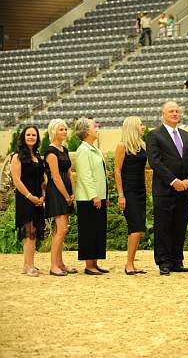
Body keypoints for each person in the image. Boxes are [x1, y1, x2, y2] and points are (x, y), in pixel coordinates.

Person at [146, 101, 188, 275]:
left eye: (177, 111)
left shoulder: (187, 136)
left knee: (180, 225)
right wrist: (174, 181)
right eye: (171, 111)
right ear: (163, 114)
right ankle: (164, 262)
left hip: (185, 190)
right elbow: (155, 162)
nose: (175, 114)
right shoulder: (155, 135)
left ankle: (177, 260)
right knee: (163, 226)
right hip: (164, 190)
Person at [74, 118, 109, 275]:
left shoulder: (94, 149)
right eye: (94, 126)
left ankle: (95, 263)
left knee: (97, 230)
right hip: (88, 199)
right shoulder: (83, 150)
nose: (97, 127)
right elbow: (85, 176)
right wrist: (94, 196)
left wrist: (104, 196)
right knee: (89, 230)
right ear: (87, 131)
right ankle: (89, 265)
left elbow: (101, 174)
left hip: (98, 197)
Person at [10, 126, 45, 277]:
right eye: (28, 134)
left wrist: (43, 195)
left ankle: (29, 264)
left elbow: (42, 179)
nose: (31, 137)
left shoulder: (37, 156)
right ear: (23, 137)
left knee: (34, 231)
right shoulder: (17, 156)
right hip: (25, 199)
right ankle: (27, 266)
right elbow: (17, 181)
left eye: (34, 135)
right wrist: (31, 197)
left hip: (38, 198)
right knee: (29, 232)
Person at [115, 117, 148, 275]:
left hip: (140, 190)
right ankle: (129, 264)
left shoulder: (142, 146)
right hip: (128, 192)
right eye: (140, 124)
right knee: (135, 227)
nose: (143, 127)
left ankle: (132, 263)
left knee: (139, 227)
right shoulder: (122, 146)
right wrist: (121, 195)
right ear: (133, 127)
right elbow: (117, 171)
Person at [44, 119, 76, 276]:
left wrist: (73, 192)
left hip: (66, 191)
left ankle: (60, 263)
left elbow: (69, 173)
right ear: (53, 132)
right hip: (57, 192)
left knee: (62, 229)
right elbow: (55, 177)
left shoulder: (64, 149)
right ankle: (53, 266)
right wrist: (65, 195)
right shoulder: (51, 151)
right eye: (61, 129)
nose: (64, 131)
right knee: (61, 229)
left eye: (65, 129)